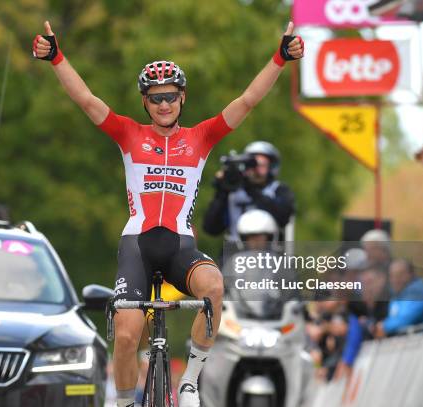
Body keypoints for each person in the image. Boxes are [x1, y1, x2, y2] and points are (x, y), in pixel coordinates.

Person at [32, 19, 303, 407]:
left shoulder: (201, 138)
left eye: (171, 97)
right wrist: (56, 57)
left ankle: (190, 380)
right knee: (126, 336)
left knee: (213, 286)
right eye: (156, 98)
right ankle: (124, 401)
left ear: (182, 99)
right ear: (145, 102)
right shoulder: (129, 134)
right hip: (137, 246)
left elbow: (247, 100)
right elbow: (87, 100)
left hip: (179, 245)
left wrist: (279, 57)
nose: (164, 104)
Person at [203, 140, 295, 241]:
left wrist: (251, 190)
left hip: (268, 252)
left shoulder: (279, 190)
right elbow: (211, 228)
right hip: (235, 252)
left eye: (261, 165)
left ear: (271, 167)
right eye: (252, 164)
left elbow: (283, 218)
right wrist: (221, 192)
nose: (256, 170)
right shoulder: (233, 191)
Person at [374, 259, 423, 337]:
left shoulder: (417, 292)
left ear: (410, 274)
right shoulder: (397, 294)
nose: (395, 279)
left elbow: (404, 319)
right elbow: (394, 317)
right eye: (392, 276)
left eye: (400, 275)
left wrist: (383, 326)